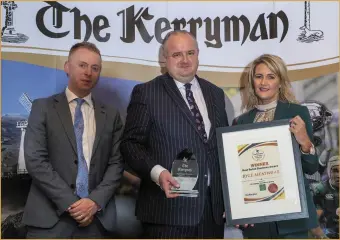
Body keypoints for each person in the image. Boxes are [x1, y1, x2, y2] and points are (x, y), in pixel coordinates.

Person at [120, 30, 229, 238]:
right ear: (164, 58)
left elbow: (221, 148)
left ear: (198, 54)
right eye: (177, 54)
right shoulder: (146, 93)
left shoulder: (215, 93)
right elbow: (130, 145)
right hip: (167, 213)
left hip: (211, 215)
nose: (185, 60)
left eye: (190, 53)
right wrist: (158, 173)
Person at [22, 42, 124, 238]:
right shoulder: (42, 107)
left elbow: (116, 163)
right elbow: (35, 160)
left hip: (95, 221)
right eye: (82, 65)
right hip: (49, 221)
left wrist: (94, 202)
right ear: (67, 67)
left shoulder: (111, 115)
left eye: (95, 68)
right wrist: (72, 204)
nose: (88, 72)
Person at [233, 54, 319, 238]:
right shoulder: (240, 122)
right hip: (257, 218)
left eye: (271, 77)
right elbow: (237, 175)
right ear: (252, 81)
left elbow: (311, 167)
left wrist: (304, 141)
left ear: (280, 82)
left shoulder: (297, 112)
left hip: (292, 217)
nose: (264, 82)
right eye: (259, 76)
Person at [312, 155, 339, 239]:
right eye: (335, 171)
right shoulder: (321, 189)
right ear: (328, 171)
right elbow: (314, 222)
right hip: (328, 232)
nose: (339, 175)